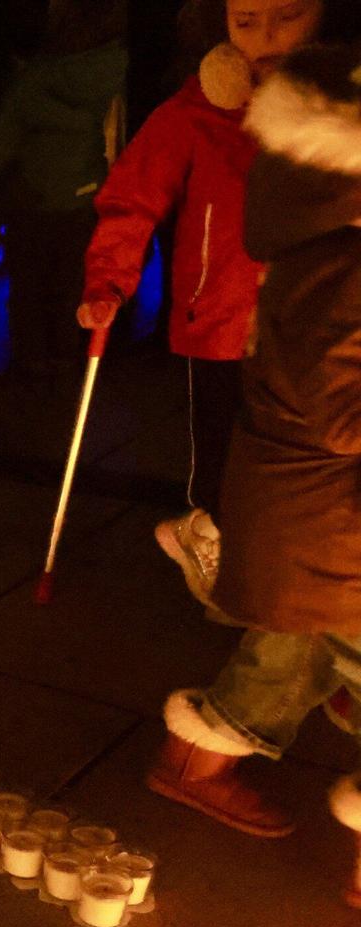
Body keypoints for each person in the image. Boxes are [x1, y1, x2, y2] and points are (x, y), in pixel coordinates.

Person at [150, 43, 361, 910]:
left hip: (308, 518)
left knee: (298, 643)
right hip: (330, 516)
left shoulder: (323, 241)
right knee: (320, 640)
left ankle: (197, 757)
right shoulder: (347, 262)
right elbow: (336, 406)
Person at [78, 0, 325, 613]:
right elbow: (133, 195)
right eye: (245, 21)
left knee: (301, 460)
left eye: (287, 15)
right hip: (219, 315)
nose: (265, 37)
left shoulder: (339, 105)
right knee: (224, 451)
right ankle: (216, 542)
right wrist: (107, 281)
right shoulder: (197, 110)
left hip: (312, 321)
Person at [0, 0, 127, 381]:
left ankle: (31, 362)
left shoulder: (36, 79)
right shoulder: (115, 65)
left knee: (28, 283)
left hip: (34, 194)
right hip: (85, 191)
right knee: (71, 280)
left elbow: (2, 142)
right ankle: (66, 359)